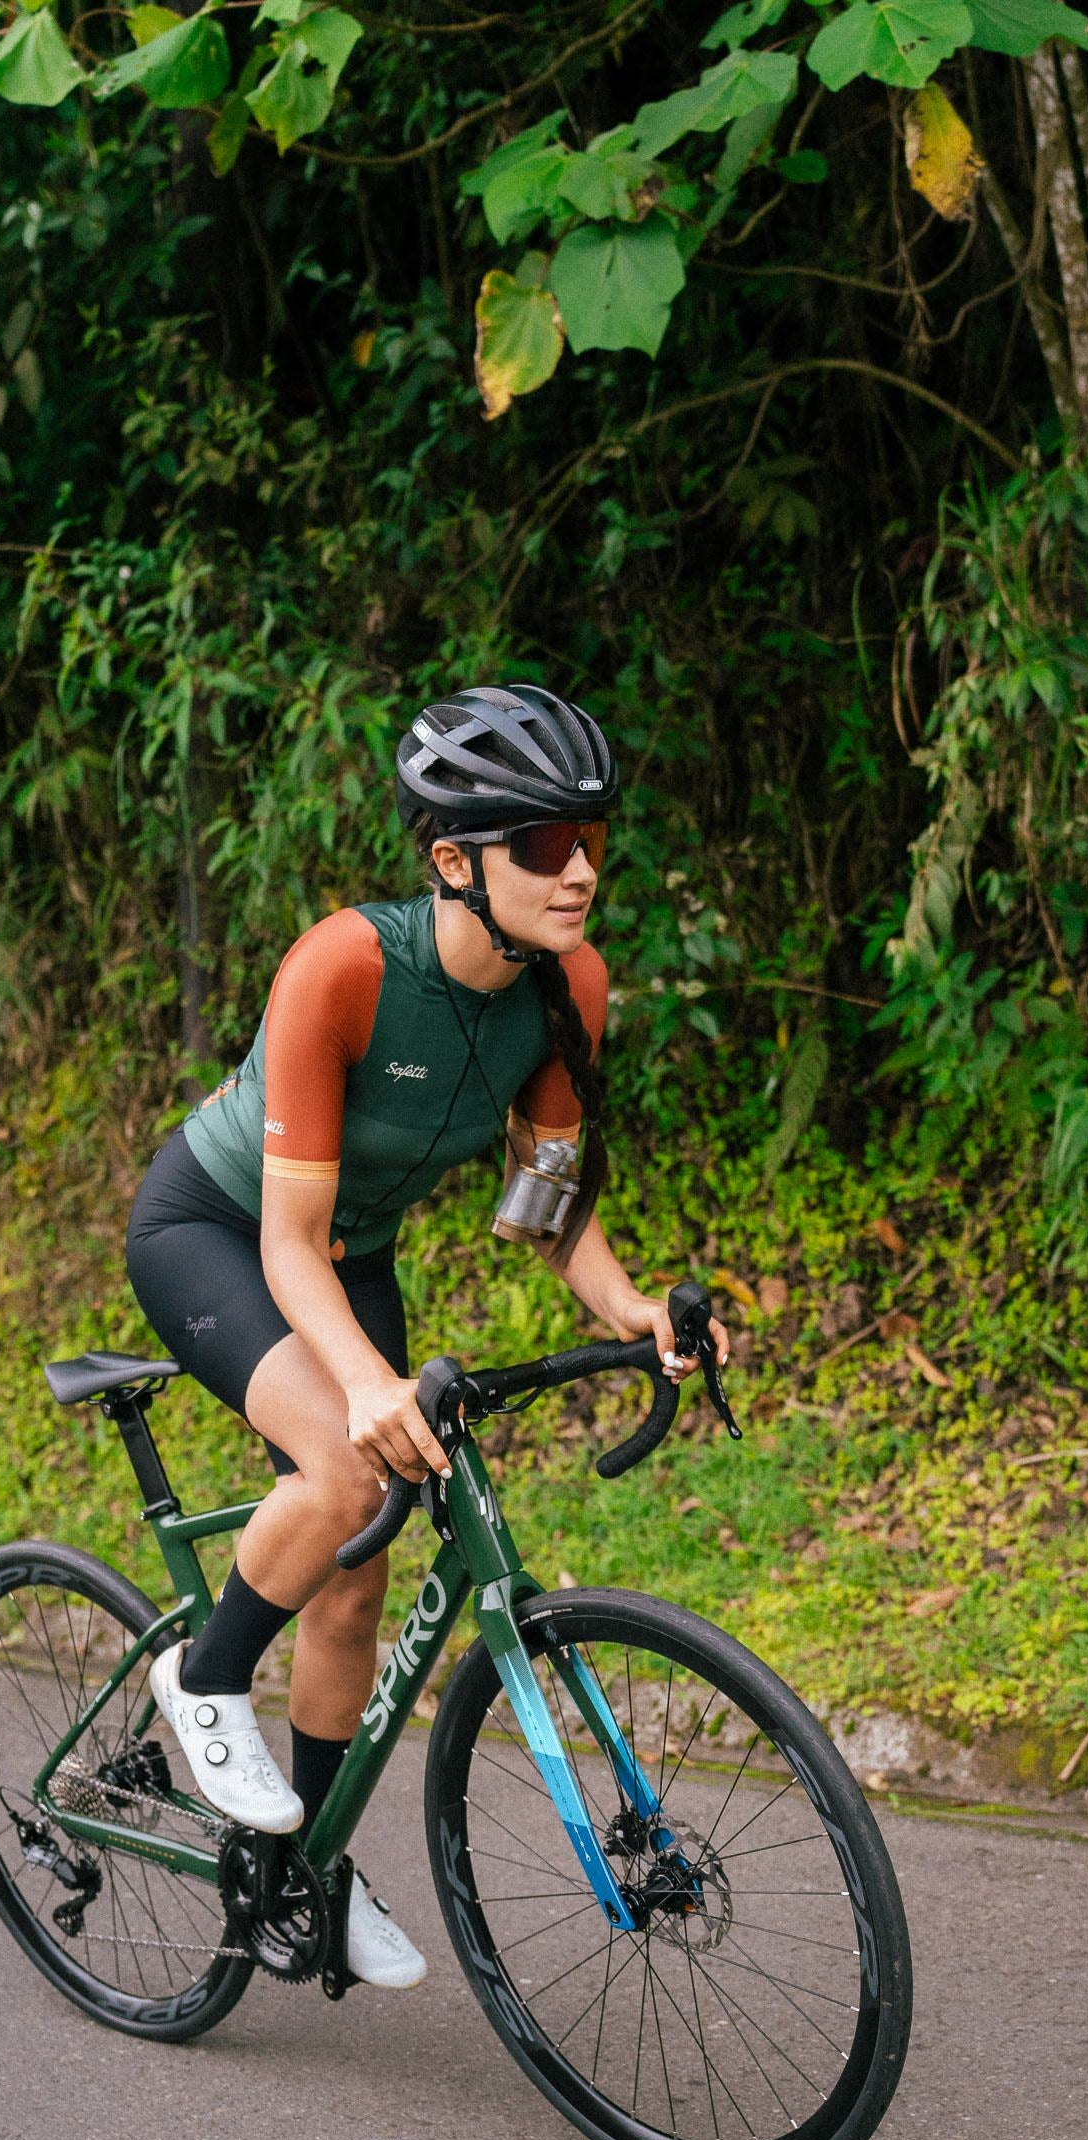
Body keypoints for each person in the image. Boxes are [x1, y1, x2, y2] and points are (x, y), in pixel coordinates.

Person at [125, 681, 726, 1989]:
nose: (580, 875)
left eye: (594, 843)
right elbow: (289, 1244)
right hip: (217, 1232)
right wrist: (365, 1386)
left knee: (359, 1563)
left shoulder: (569, 986)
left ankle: (301, 1874)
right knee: (344, 1467)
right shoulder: (343, 965)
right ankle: (204, 1677)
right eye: (546, 847)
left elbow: (544, 1206)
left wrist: (629, 1309)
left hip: (354, 1253)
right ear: (455, 861)